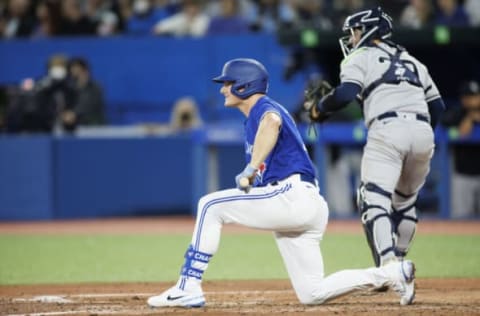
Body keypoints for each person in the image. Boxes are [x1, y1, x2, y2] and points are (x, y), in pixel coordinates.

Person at [147, 58, 415, 308]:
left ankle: (188, 285)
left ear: (244, 85)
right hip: (306, 204)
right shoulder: (256, 114)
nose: (223, 90)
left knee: (210, 205)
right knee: (312, 293)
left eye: (228, 84)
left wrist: (251, 169)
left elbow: (271, 123)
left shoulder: (264, 108)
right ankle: (390, 273)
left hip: (291, 195)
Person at [304, 7, 445, 268]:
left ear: (367, 30)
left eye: (354, 32)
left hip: (388, 129)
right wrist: (421, 138)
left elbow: (346, 94)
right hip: (423, 132)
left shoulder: (360, 57)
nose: (351, 39)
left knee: (374, 200)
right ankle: (400, 260)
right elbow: (438, 108)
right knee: (405, 203)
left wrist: (319, 108)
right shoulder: (414, 61)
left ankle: (389, 267)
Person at [441, 80, 480, 218]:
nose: (472, 100)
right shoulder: (456, 114)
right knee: (461, 218)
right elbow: (461, 134)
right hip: (462, 174)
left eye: (475, 96)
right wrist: (470, 117)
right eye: (468, 96)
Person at [60, 57, 105, 132]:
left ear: (85, 70)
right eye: (73, 69)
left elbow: (90, 105)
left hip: (93, 124)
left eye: (78, 70)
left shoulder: (95, 87)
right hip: (71, 125)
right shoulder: (68, 87)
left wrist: (74, 113)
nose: (75, 72)